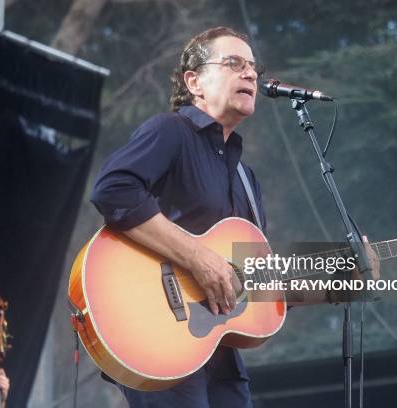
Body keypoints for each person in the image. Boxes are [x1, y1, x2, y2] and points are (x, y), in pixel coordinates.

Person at [91, 26, 379, 408]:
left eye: (253, 67)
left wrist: (343, 278)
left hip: (219, 352)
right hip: (159, 339)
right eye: (234, 63)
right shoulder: (170, 131)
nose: (250, 74)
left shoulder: (246, 178)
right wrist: (197, 257)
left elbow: (259, 284)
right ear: (194, 81)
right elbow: (113, 189)